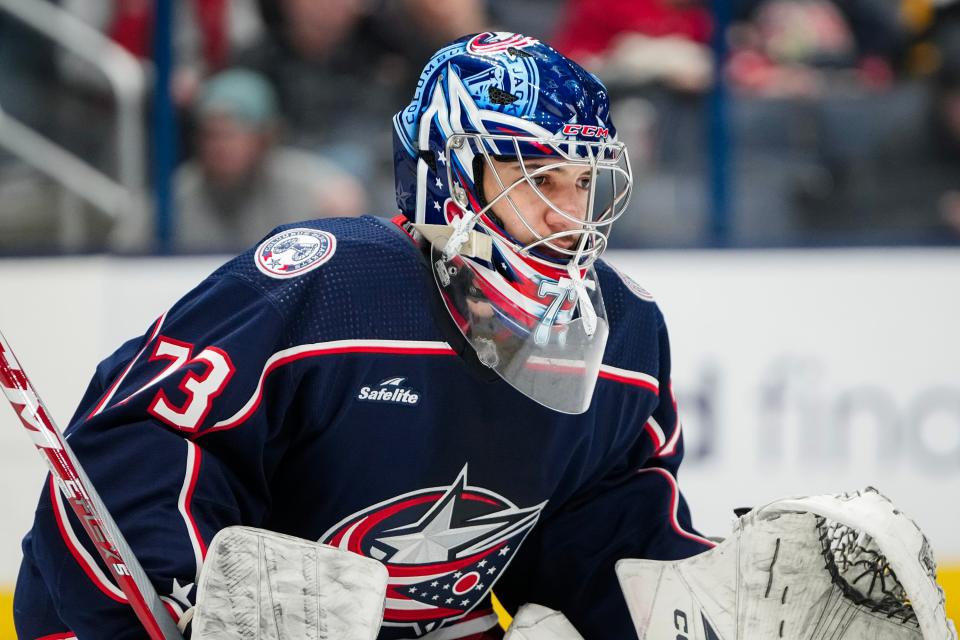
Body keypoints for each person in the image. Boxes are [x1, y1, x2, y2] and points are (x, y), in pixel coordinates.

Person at [14, 33, 713, 639]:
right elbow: (143, 444)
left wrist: (696, 612)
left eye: (584, 182)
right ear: (450, 177)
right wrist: (180, 602)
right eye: (538, 178)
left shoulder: (624, 337)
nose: (570, 215)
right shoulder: (327, 286)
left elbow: (604, 534)